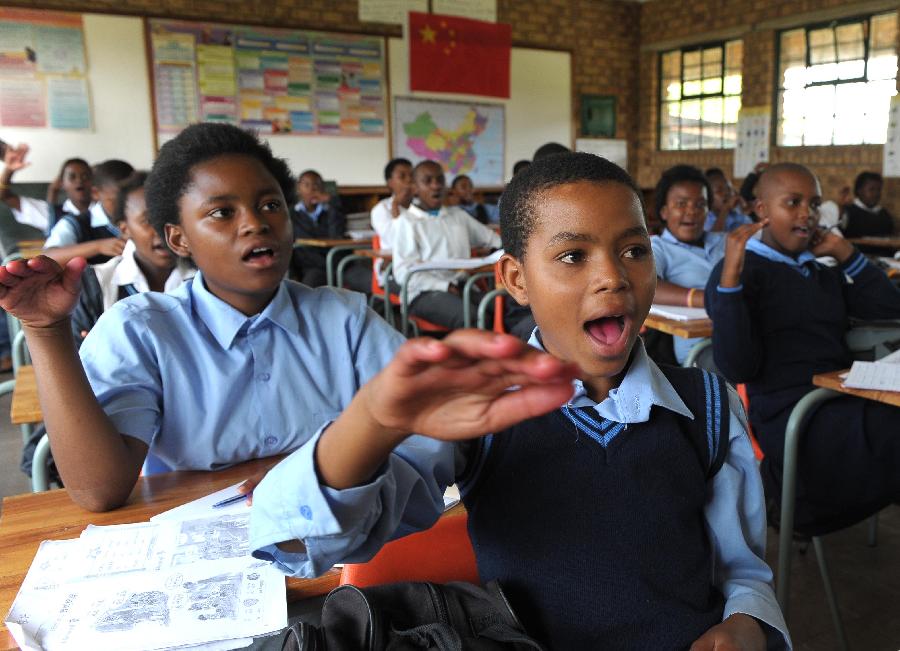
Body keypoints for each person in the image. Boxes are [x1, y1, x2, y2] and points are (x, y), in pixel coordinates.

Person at [250, 153, 790, 650]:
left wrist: (748, 621)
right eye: (573, 256)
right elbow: (305, 543)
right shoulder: (481, 411)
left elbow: (742, 569)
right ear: (515, 279)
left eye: (634, 250)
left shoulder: (711, 408)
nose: (613, 277)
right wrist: (373, 419)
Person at [0, 123, 404, 513]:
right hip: (195, 546)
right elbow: (100, 491)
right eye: (222, 212)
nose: (255, 223)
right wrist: (46, 330)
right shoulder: (141, 330)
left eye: (271, 205)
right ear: (179, 239)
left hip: (334, 544)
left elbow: (418, 429)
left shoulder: (345, 317)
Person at [706, 163, 900, 535]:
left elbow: (890, 308)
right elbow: (736, 366)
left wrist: (845, 252)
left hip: (839, 399)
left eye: (813, 204)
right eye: (792, 202)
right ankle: (792, 502)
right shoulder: (742, 272)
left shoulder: (820, 271)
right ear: (761, 210)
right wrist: (729, 279)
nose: (806, 214)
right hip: (793, 418)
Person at [70, 171, 194, 345]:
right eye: (149, 220)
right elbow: (79, 359)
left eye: (172, 218)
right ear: (125, 228)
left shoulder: (206, 279)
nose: (165, 231)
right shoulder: (96, 285)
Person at [392, 160, 502, 331]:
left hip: (462, 286)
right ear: (414, 187)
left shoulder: (457, 215)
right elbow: (402, 272)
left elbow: (492, 239)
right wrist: (443, 286)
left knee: (504, 308)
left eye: (440, 180)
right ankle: (475, 356)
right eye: (427, 181)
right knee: (472, 317)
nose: (436, 186)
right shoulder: (406, 223)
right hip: (423, 293)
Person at [651, 165, 726, 364]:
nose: (691, 212)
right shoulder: (658, 247)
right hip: (701, 348)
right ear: (664, 211)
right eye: (681, 204)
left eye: (700, 204)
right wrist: (704, 298)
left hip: (744, 333)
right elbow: (647, 285)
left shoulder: (726, 242)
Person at [42, 158, 134, 265]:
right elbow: (47, 256)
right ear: (95, 193)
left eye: (131, 201)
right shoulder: (76, 223)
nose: (124, 207)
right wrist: (98, 246)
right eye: (115, 201)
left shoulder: (142, 217)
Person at [0, 143, 92, 235]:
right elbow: (5, 197)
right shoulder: (50, 213)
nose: (79, 180)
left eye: (85, 176)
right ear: (62, 183)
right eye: (72, 177)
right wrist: (9, 170)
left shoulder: (102, 207)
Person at [289, 169, 346, 287]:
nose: (313, 189)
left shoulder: (331, 209)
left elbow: (336, 236)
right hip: (311, 267)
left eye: (317, 185)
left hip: (337, 264)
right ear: (298, 188)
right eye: (307, 185)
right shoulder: (292, 214)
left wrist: (331, 205)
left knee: (368, 283)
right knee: (308, 288)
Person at [369, 158, 413, 287]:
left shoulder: (421, 206)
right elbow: (397, 240)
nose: (409, 180)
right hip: (392, 270)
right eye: (402, 176)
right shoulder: (381, 209)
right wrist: (395, 206)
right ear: (390, 183)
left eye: (412, 176)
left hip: (422, 265)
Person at [840, 171, 895, 238]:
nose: (876, 194)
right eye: (871, 189)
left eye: (879, 190)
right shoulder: (849, 212)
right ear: (859, 190)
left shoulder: (884, 214)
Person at [705, 167, 752, 232]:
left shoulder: (736, 213)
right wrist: (725, 209)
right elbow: (713, 239)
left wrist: (746, 209)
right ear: (707, 196)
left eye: (728, 189)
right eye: (719, 191)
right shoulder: (704, 218)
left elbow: (753, 233)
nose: (726, 193)